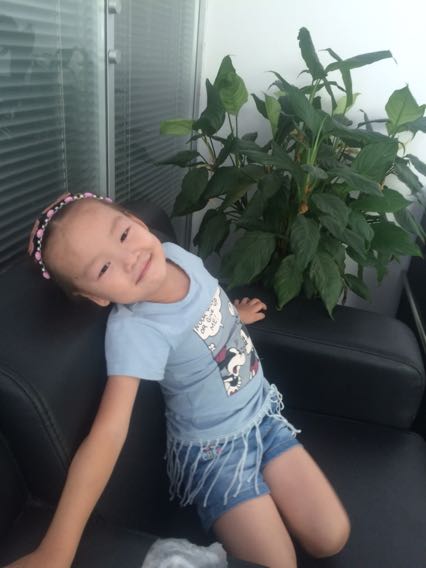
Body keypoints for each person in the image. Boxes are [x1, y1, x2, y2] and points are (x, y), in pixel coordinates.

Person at [7, 192, 350, 568]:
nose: (129, 258)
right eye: (103, 268)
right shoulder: (136, 331)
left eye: (123, 234)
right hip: (215, 455)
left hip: (262, 416)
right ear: (96, 296)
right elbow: (108, 435)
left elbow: (202, 302)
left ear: (138, 222)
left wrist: (232, 314)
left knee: (331, 537)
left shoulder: (172, 254)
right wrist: (58, 548)